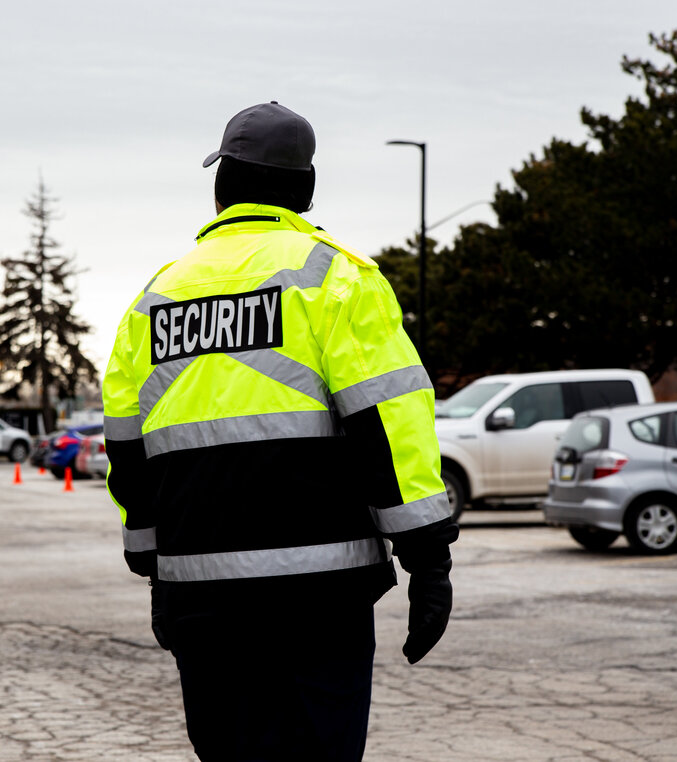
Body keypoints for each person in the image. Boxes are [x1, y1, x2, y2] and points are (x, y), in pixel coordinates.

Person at [102, 101, 458, 762]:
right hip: (318, 600)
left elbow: (127, 447)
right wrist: (427, 558)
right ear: (305, 190)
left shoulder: (155, 298)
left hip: (201, 596)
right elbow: (391, 419)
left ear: (222, 186)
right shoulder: (335, 279)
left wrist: (155, 570)